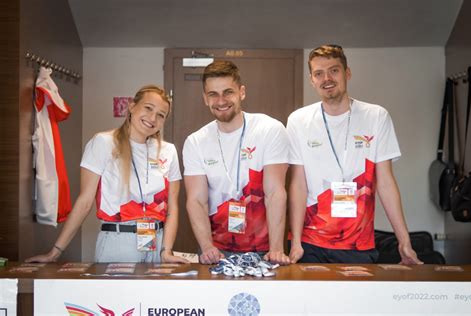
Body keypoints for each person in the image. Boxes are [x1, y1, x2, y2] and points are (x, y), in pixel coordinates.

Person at [286, 45, 422, 264]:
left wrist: (404, 241)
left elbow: (385, 182)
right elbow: (298, 185)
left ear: (347, 73)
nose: (327, 78)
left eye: (334, 70)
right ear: (311, 79)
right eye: (319, 73)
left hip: (358, 242)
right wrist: (295, 243)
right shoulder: (298, 120)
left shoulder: (376, 116)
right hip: (311, 242)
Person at [26, 85, 187, 263]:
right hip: (118, 242)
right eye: (148, 108)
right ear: (132, 106)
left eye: (161, 115)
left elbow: (173, 208)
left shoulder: (168, 151)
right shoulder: (103, 143)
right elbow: (85, 201)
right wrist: (55, 252)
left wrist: (167, 251)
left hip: (157, 242)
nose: (152, 118)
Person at [183, 60, 290, 265]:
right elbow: (196, 200)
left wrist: (276, 248)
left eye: (228, 92)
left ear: (241, 92)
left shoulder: (270, 129)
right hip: (217, 251)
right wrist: (207, 247)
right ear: (205, 98)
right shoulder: (195, 141)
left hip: (264, 250)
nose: (221, 100)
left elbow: (275, 192)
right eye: (213, 94)